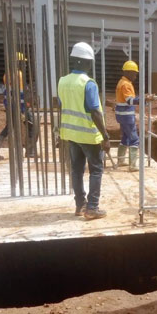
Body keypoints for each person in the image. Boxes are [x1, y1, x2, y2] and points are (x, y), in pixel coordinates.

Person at [58, 41, 110, 220]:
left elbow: (62, 106)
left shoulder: (63, 81)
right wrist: (105, 135)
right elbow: (95, 112)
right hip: (88, 135)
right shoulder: (88, 83)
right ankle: (92, 208)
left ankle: (80, 205)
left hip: (71, 134)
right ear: (87, 62)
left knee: (76, 170)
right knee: (96, 170)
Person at [0, 52, 35, 160]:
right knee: (31, 125)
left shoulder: (7, 74)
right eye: (22, 63)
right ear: (17, 63)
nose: (25, 65)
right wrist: (23, 110)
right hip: (19, 106)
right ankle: (30, 151)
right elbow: (20, 94)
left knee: (9, 127)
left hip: (11, 105)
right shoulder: (18, 75)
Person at [115, 60, 140, 172]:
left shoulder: (122, 82)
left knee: (125, 137)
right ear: (128, 72)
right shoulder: (126, 84)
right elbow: (130, 101)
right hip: (127, 116)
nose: (135, 76)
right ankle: (133, 165)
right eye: (134, 73)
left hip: (121, 115)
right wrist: (143, 99)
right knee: (134, 139)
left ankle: (120, 160)